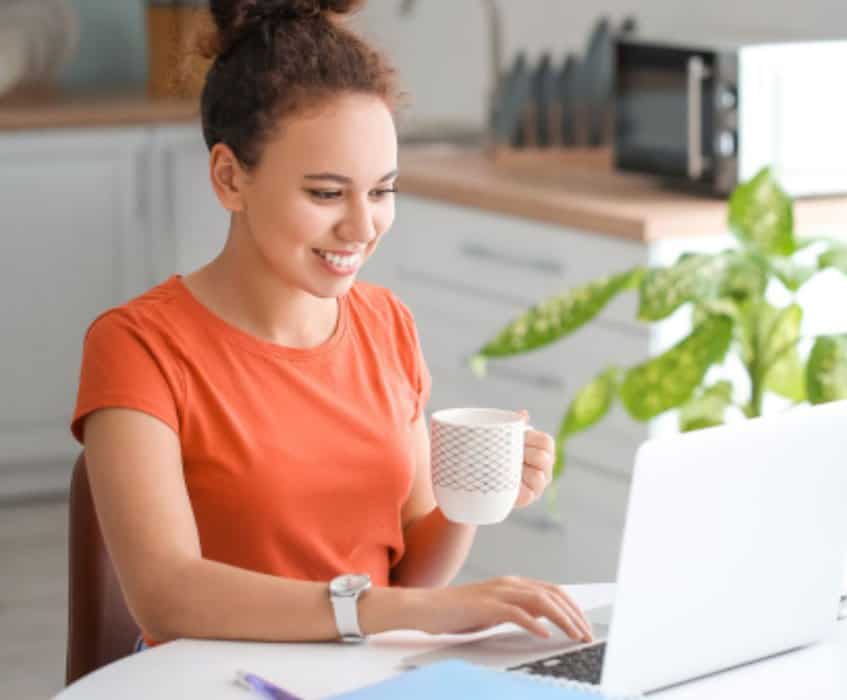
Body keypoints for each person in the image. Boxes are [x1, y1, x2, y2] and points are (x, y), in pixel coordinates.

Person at [70, 0, 592, 651]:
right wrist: (412, 612)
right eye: (325, 193)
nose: (362, 226)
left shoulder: (387, 325)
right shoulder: (138, 346)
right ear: (230, 178)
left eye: (381, 191)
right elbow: (167, 593)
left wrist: (469, 502)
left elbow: (406, 577)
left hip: (358, 675)